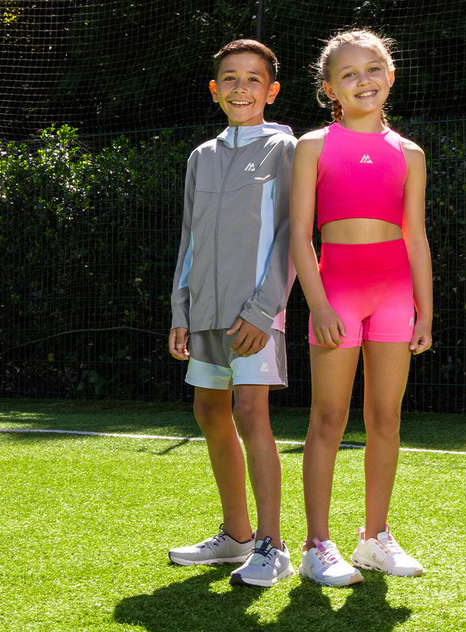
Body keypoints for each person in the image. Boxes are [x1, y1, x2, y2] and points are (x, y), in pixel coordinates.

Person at [288, 28, 433, 587]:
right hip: (337, 295)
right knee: (328, 419)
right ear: (330, 89)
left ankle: (374, 538)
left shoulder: (410, 153)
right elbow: (300, 236)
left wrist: (425, 311)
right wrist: (318, 304)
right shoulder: (313, 146)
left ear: (390, 76)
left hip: (395, 295)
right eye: (348, 74)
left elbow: (416, 236)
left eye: (373, 69)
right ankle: (317, 545)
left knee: (386, 419)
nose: (363, 80)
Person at [164, 38, 298, 588]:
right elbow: (190, 238)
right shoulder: (201, 156)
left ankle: (272, 545)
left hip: (255, 315)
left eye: (253, 79)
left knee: (250, 413)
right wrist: (181, 309)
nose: (241, 88)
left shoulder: (286, 149)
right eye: (230, 79)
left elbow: (292, 236)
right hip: (204, 311)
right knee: (209, 411)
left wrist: (265, 311)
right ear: (215, 89)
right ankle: (236, 535)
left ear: (272, 90)